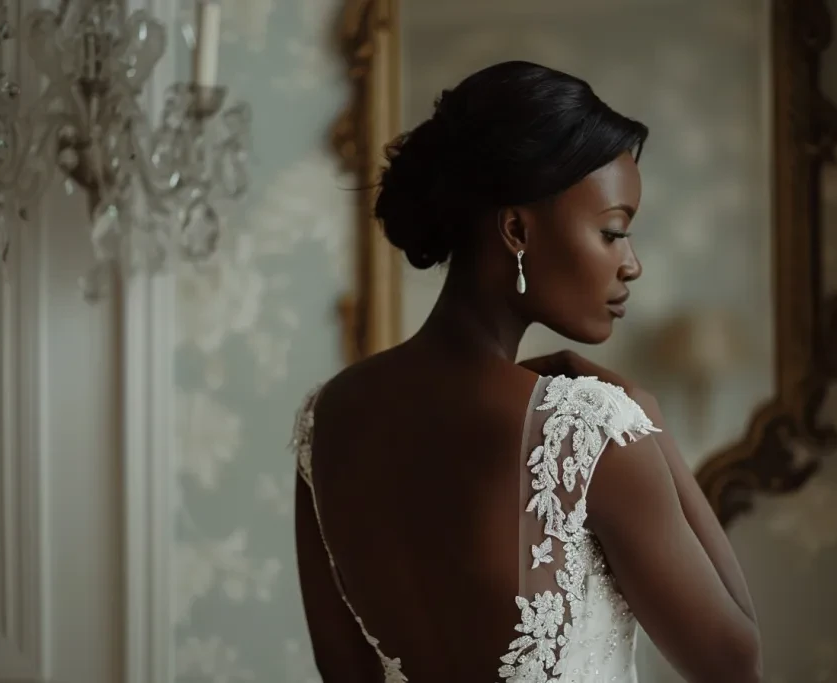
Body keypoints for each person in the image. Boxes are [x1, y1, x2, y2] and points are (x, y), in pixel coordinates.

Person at [291, 60, 762, 683]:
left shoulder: (326, 416)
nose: (632, 264)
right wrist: (640, 410)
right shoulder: (590, 430)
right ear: (516, 229)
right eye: (613, 232)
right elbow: (735, 663)